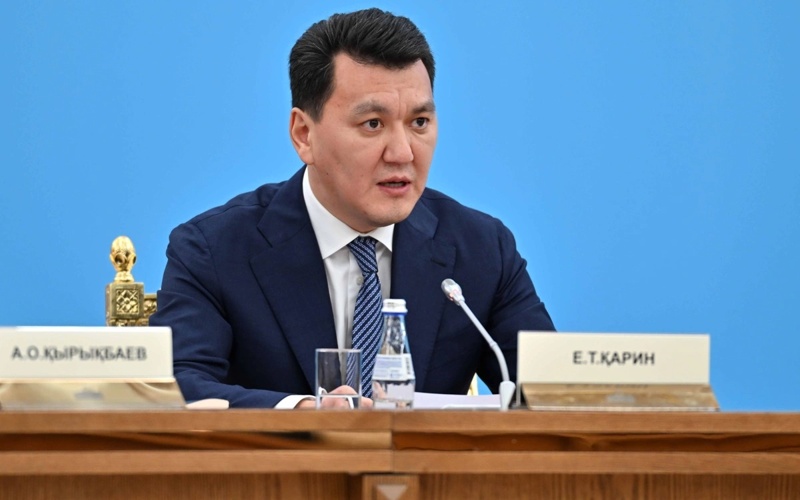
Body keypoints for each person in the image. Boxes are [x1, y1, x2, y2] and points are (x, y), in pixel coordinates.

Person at [149, 8, 555, 409]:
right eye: (373, 124)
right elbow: (176, 386)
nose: (403, 153)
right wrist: (302, 412)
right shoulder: (214, 250)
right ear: (304, 135)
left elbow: (553, 392)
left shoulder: (481, 249)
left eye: (419, 122)